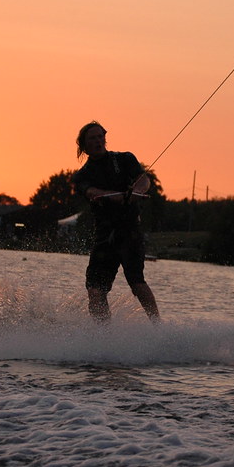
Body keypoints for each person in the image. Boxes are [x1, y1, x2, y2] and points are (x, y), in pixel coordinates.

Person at [72, 121, 160, 323]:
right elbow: (90, 191)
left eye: (99, 136)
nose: (97, 141)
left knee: (136, 283)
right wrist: (111, 196)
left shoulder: (125, 159)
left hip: (129, 232)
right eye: (91, 138)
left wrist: (137, 191)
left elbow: (144, 180)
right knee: (95, 289)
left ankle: (158, 326)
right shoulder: (82, 176)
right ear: (84, 146)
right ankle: (103, 336)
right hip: (105, 236)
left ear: (105, 137)